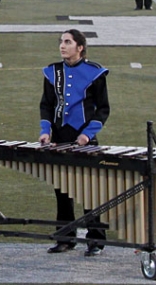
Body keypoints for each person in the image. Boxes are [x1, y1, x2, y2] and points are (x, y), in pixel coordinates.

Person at [41, 29, 110, 257]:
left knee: (90, 191)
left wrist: (87, 135)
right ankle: (65, 238)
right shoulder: (52, 72)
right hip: (60, 138)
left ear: (80, 47)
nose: (62, 46)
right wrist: (45, 132)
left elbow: (103, 109)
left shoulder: (95, 73)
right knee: (62, 190)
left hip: (84, 139)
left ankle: (95, 240)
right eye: (61, 41)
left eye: (68, 42)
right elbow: (46, 106)